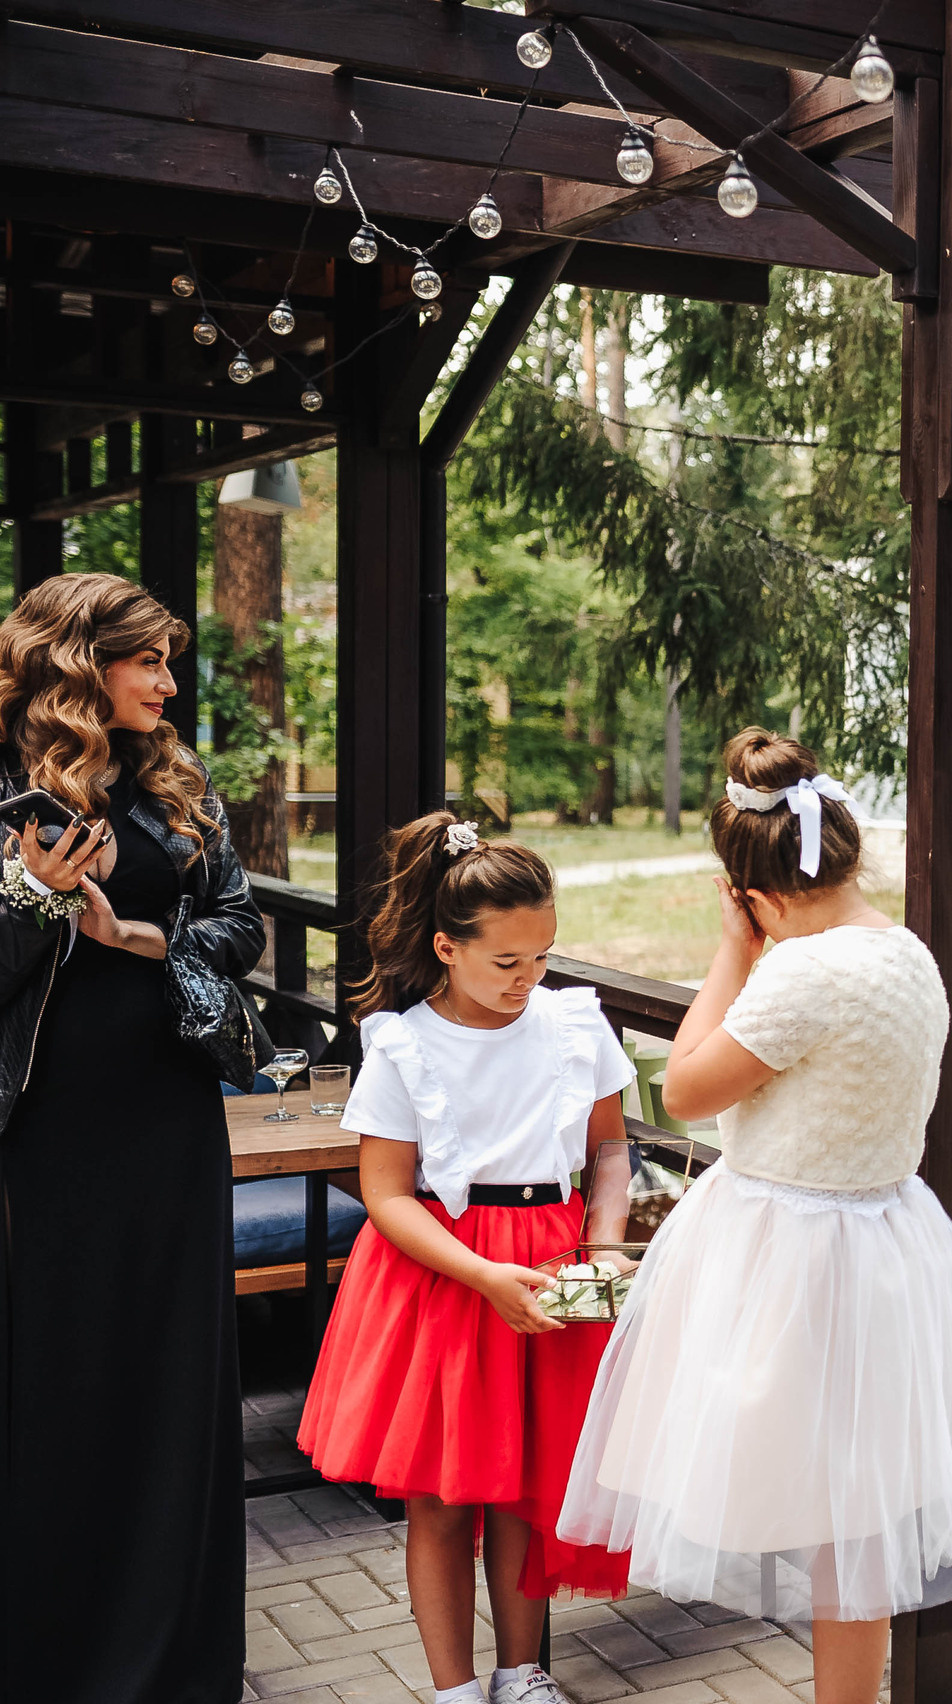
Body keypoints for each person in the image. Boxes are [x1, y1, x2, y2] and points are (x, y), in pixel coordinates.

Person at [559, 730, 952, 1704]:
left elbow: (681, 1088)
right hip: (884, 1239)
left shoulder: (803, 973)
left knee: (796, 1488)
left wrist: (732, 951)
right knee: (856, 1514)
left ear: (754, 891)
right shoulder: (906, 951)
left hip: (791, 1256)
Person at [295, 814, 638, 1704]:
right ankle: (454, 1691)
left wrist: (603, 1248)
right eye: (507, 961)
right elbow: (386, 1194)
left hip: (552, 1269)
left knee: (527, 1489)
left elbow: (608, 1153)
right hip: (446, 1276)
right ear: (447, 947)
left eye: (543, 957)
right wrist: (483, 1276)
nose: (529, 979)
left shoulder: (575, 1024)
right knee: (444, 1500)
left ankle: (521, 1675)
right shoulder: (403, 1044)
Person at [0, 574, 266, 1704]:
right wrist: (31, 903)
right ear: (78, 662)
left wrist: (142, 936)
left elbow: (242, 926)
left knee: (173, 1373)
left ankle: (176, 1658)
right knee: (56, 1377)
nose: (167, 683)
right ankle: (51, 1660)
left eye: (170, 661)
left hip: (168, 1120)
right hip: (40, 1133)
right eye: (146, 661)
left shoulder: (173, 782)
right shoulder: (3, 787)